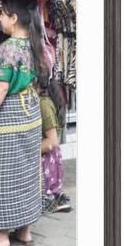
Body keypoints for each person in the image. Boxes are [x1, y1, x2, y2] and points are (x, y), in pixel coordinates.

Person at [0, 0, 49, 246]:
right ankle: (25, 230)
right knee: (28, 171)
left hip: (10, 116)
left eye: (2, 14)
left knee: (6, 173)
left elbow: (2, 86)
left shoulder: (9, 48)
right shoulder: (34, 44)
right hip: (30, 114)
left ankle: (2, 235)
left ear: (14, 19)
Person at [38, 77, 72, 213]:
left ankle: (52, 201)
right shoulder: (47, 103)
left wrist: (28, 152)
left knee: (46, 189)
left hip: (46, 154)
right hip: (51, 155)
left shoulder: (43, 104)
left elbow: (52, 140)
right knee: (51, 187)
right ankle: (57, 199)